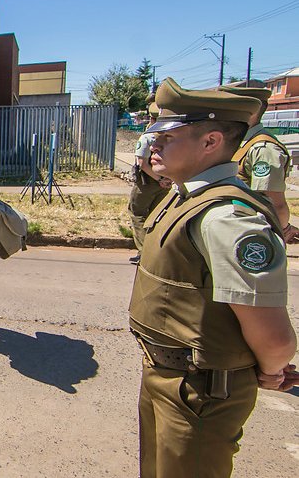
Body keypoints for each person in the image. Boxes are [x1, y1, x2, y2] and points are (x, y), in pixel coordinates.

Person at [129, 78, 297, 478]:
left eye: (167, 137)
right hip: (168, 376)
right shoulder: (186, 196)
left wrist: (271, 368)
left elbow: (274, 338)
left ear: (211, 142)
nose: (154, 145)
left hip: (200, 389)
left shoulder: (227, 218)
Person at [218, 84, 297, 242]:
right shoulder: (240, 141)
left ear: (251, 111)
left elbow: (275, 203)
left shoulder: (263, 149)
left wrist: (279, 233)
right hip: (233, 226)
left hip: (251, 233)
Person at [127, 97, 171, 264]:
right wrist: (166, 179)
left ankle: (144, 252)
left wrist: (158, 179)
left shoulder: (148, 137)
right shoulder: (171, 136)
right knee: (156, 215)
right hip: (165, 182)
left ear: (152, 119)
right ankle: (157, 251)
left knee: (137, 213)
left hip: (147, 183)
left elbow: (142, 164)